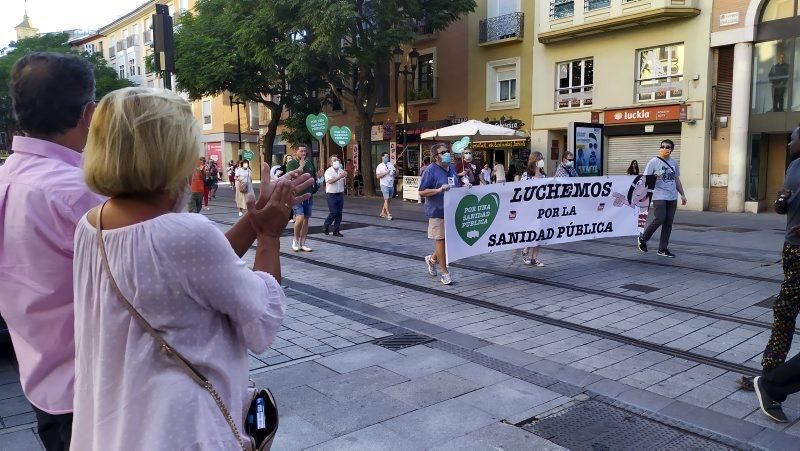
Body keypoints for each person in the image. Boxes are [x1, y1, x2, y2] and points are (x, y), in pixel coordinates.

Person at [72, 87, 312, 449]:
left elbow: (192, 274)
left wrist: (253, 220)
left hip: (117, 430)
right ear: (172, 154)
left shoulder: (92, 225)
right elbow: (262, 322)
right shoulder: (184, 234)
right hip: (182, 431)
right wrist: (268, 235)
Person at [0, 52, 104, 451]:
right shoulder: (79, 192)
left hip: (42, 388)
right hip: (97, 395)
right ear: (89, 113)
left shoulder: (8, 180)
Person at [740, 125, 800, 411]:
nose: (789, 144)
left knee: (785, 310)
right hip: (793, 248)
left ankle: (771, 379)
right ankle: (770, 377)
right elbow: (784, 206)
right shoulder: (794, 166)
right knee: (785, 311)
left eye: (793, 140)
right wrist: (780, 203)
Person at [418, 143, 461, 285]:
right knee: (441, 240)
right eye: (443, 152)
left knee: (448, 241)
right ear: (436, 156)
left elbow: (457, 186)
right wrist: (438, 190)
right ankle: (445, 272)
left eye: (447, 151)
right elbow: (422, 191)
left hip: (452, 210)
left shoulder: (452, 168)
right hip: (437, 211)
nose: (447, 154)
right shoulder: (430, 171)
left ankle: (432, 259)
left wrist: (466, 186)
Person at [636, 139, 686, 258]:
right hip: (659, 195)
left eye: (667, 147)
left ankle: (662, 249)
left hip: (672, 196)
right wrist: (654, 178)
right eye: (662, 146)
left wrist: (683, 195)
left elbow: (677, 180)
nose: (664, 149)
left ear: (672, 149)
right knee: (660, 218)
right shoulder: (653, 162)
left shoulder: (673, 163)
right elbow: (645, 179)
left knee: (668, 223)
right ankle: (643, 238)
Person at [286, 144, 317, 251]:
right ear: (296, 152)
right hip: (297, 196)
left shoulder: (309, 162)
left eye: (305, 151)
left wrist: (319, 177)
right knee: (300, 218)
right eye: (301, 151)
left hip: (308, 195)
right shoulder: (291, 163)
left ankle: (303, 243)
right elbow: (295, 177)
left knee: (306, 220)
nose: (304, 153)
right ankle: (295, 240)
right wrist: (301, 166)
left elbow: (312, 176)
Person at [521, 152, 547, 267]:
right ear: (534, 161)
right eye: (539, 159)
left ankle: (534, 258)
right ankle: (526, 248)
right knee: (532, 230)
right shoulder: (526, 175)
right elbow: (521, 190)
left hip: (541, 208)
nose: (541, 160)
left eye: (542, 158)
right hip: (529, 208)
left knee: (539, 232)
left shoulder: (544, 176)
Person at [323, 155, 347, 236]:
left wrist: (345, 175)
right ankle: (326, 225)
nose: (336, 161)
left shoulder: (341, 170)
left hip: (340, 194)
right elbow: (329, 181)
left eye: (337, 160)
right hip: (331, 194)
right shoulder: (328, 171)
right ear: (331, 162)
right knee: (333, 212)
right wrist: (339, 176)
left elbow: (344, 179)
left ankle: (336, 231)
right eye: (334, 160)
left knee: (339, 213)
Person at [376, 151, 397, 219]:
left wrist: (395, 171)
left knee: (389, 200)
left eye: (387, 157)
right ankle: (388, 214)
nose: (387, 158)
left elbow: (395, 174)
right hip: (384, 184)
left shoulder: (390, 164)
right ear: (382, 157)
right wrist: (386, 172)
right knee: (386, 198)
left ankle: (382, 212)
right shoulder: (379, 166)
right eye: (385, 157)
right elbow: (378, 176)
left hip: (391, 184)